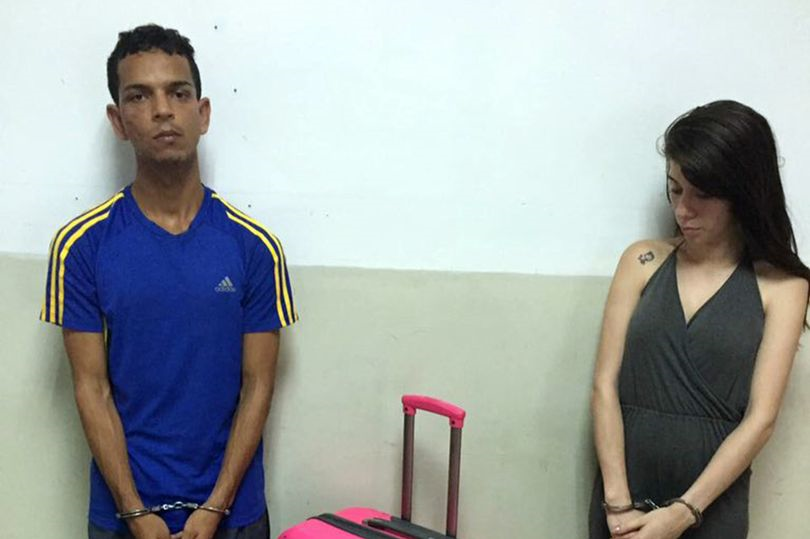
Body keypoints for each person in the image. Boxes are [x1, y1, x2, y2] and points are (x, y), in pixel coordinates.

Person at [40, 24, 297, 539]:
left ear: (202, 114)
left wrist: (215, 508)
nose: (162, 110)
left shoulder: (254, 246)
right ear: (118, 120)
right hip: (124, 517)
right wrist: (136, 513)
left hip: (235, 516)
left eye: (178, 93)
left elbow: (258, 385)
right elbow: (91, 388)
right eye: (140, 96)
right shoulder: (81, 246)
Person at [588, 100, 809, 538]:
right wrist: (618, 505)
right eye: (675, 190)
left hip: (711, 507)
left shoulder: (783, 286)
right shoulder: (642, 261)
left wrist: (684, 512)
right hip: (623, 502)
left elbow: (761, 419)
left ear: (742, 193)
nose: (682, 209)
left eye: (702, 195)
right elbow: (604, 386)